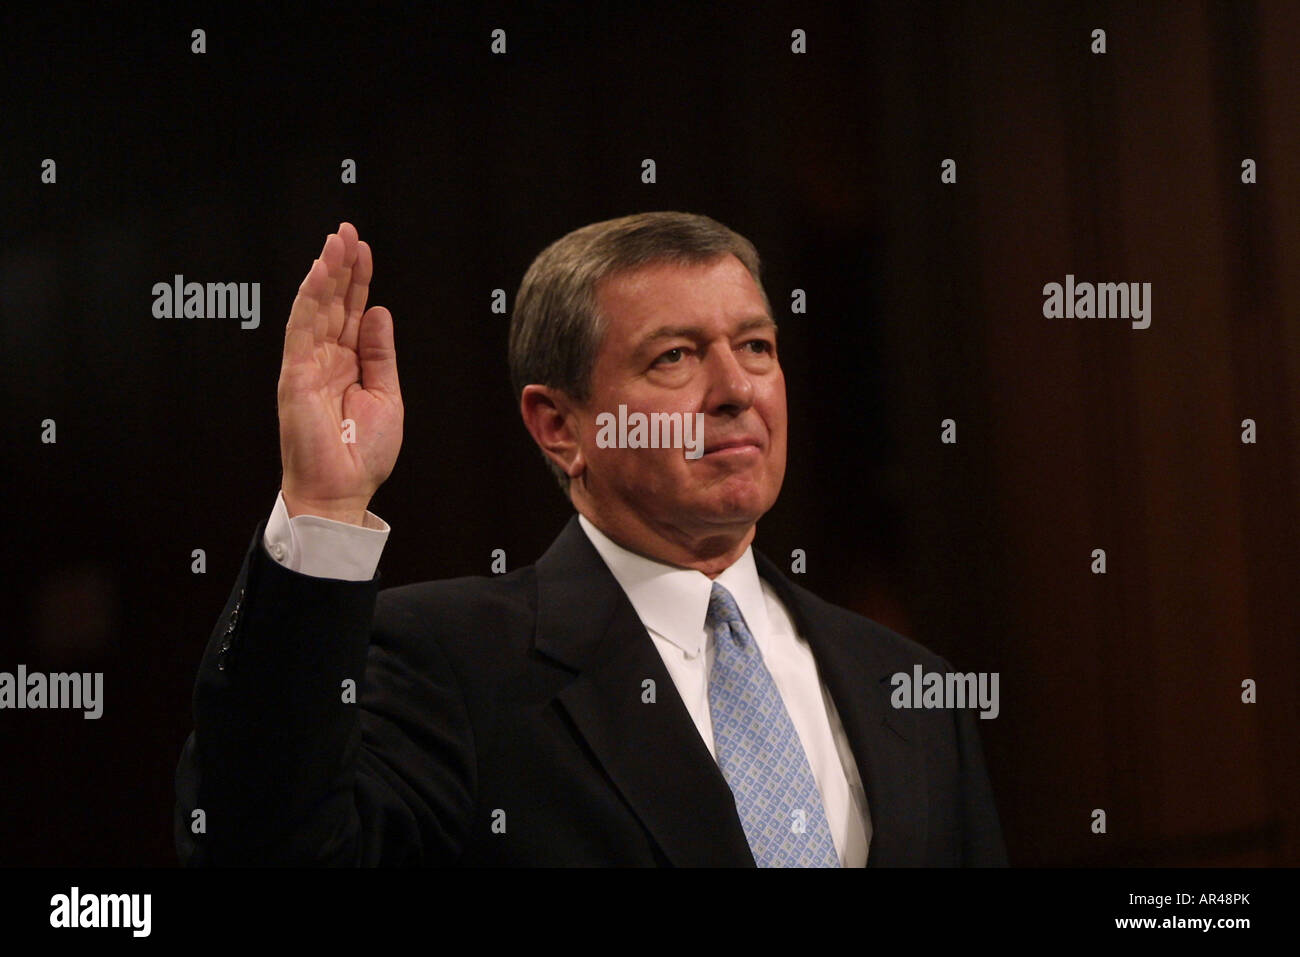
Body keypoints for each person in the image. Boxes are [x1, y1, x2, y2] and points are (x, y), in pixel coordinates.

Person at [173, 211, 1008, 867]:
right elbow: (263, 848)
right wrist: (323, 507)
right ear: (560, 425)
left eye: (756, 345)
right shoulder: (450, 663)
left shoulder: (908, 684)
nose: (736, 389)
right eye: (675, 356)